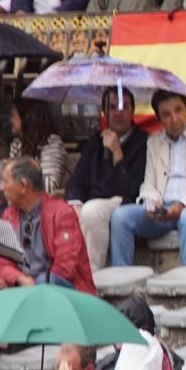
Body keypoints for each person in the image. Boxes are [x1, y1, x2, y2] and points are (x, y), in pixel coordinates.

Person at [111, 89, 186, 268]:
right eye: (166, 114)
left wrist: (182, 204)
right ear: (159, 119)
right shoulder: (154, 142)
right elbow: (149, 183)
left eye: (178, 110)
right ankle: (123, 286)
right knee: (120, 217)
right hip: (164, 211)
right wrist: (151, 203)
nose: (174, 119)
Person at [65, 89, 149, 272]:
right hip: (90, 205)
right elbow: (76, 181)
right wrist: (76, 204)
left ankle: (92, 276)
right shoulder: (95, 142)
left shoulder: (143, 142)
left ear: (132, 111)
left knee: (92, 211)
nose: (118, 113)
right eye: (112, 107)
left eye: (124, 107)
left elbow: (133, 187)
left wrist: (118, 154)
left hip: (124, 203)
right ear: (104, 112)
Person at [0, 157, 95, 293]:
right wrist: (21, 279)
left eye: (5, 181)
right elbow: (3, 264)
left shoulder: (61, 213)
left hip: (60, 288)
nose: (1, 187)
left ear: (23, 186)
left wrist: (34, 285)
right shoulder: (9, 216)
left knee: (46, 281)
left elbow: (66, 267)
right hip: (24, 284)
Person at [8, 99, 68, 196]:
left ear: (27, 117)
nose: (10, 120)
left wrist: (24, 166)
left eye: (13, 115)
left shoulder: (51, 143)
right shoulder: (17, 144)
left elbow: (50, 186)